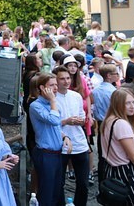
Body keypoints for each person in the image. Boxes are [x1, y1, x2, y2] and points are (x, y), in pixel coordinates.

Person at [29, 72, 70, 205]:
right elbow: (53, 120)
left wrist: (65, 137)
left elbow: (57, 127)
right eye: (51, 85)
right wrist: (53, 100)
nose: (56, 88)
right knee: (46, 192)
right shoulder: (36, 106)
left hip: (57, 153)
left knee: (57, 190)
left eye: (56, 85)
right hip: (45, 154)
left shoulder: (52, 104)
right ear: (42, 88)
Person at [53, 65, 90, 206]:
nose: (66, 81)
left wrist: (81, 121)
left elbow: (82, 116)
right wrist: (66, 121)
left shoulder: (76, 96)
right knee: (59, 182)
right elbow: (51, 124)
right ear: (56, 80)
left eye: (68, 78)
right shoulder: (53, 98)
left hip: (79, 143)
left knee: (83, 183)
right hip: (60, 145)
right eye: (62, 79)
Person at [100, 88, 134, 205]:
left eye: (133, 102)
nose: (132, 106)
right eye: (127, 103)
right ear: (118, 104)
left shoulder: (108, 120)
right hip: (125, 173)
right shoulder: (121, 124)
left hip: (111, 170)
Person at [93, 64, 120, 181]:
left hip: (100, 123)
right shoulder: (113, 91)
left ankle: (102, 182)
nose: (118, 76)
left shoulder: (96, 90)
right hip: (111, 123)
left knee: (102, 154)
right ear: (109, 76)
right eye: (116, 73)